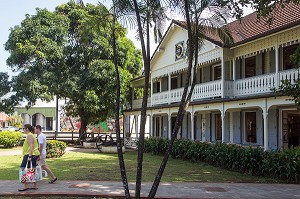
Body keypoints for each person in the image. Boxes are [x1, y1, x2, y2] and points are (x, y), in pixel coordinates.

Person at [19, 124, 40, 191]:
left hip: (29, 154)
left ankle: (25, 186)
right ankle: (34, 185)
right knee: (31, 169)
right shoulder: (31, 135)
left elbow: (31, 146)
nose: (23, 130)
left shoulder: (30, 135)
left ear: (27, 129)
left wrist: (30, 156)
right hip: (32, 154)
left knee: (23, 169)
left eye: (23, 128)